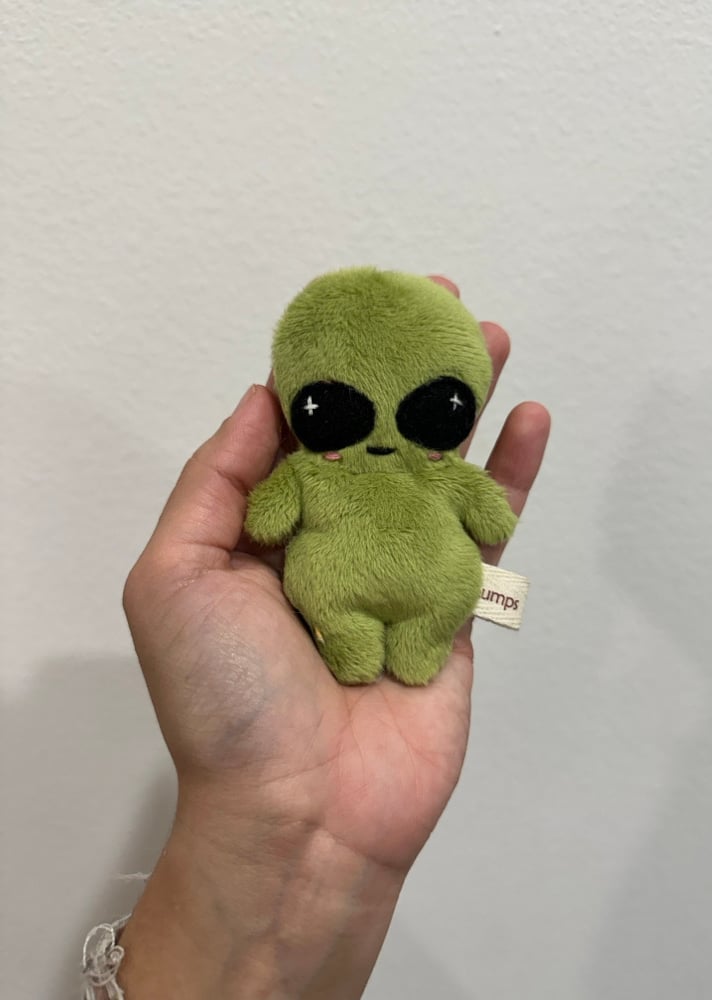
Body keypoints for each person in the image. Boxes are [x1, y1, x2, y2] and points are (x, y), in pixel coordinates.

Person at [116, 277, 550, 998]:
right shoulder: (315, 474)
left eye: (431, 409)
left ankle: (417, 639)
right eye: (337, 410)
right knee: (345, 608)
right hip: (348, 596)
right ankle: (357, 638)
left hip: (431, 593)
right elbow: (268, 517)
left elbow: (485, 510)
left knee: (427, 614)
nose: (380, 435)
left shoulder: (427, 475)